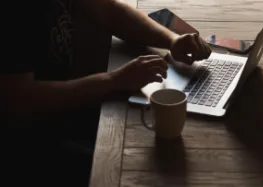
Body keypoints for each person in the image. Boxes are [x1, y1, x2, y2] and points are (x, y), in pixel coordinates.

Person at [1, 0, 211, 186]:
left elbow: (110, 10)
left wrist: (172, 41)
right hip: (28, 146)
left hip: (62, 113)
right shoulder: (15, 9)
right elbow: (20, 102)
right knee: (138, 170)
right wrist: (115, 80)